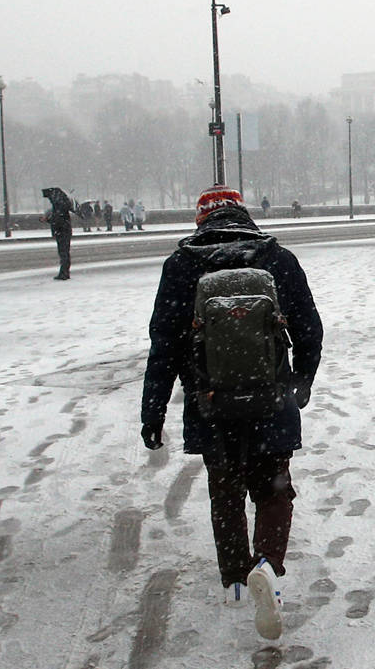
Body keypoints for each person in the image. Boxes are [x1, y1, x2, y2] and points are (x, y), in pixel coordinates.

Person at [140, 185, 323, 640]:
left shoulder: (182, 265)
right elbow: (310, 330)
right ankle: (268, 566)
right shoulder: (276, 259)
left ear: (201, 219)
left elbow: (163, 345)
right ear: (243, 213)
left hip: (210, 403)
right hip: (271, 398)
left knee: (225, 491)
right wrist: (300, 382)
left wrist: (154, 409)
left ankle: (236, 583)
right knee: (274, 488)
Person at [41, 187, 76, 280]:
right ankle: (65, 272)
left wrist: (47, 219)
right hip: (64, 231)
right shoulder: (63, 206)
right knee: (65, 252)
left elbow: (57, 220)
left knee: (63, 252)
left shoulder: (59, 207)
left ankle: (64, 273)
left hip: (62, 232)